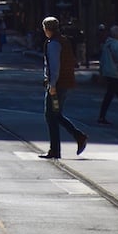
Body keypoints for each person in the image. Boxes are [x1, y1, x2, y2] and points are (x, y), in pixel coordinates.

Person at [40, 16, 88, 159]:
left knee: (51, 114)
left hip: (58, 84)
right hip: (64, 82)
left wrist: (52, 84)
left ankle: (58, 148)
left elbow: (54, 66)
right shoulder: (63, 40)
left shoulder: (53, 43)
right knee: (56, 114)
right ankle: (75, 138)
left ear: (47, 29)